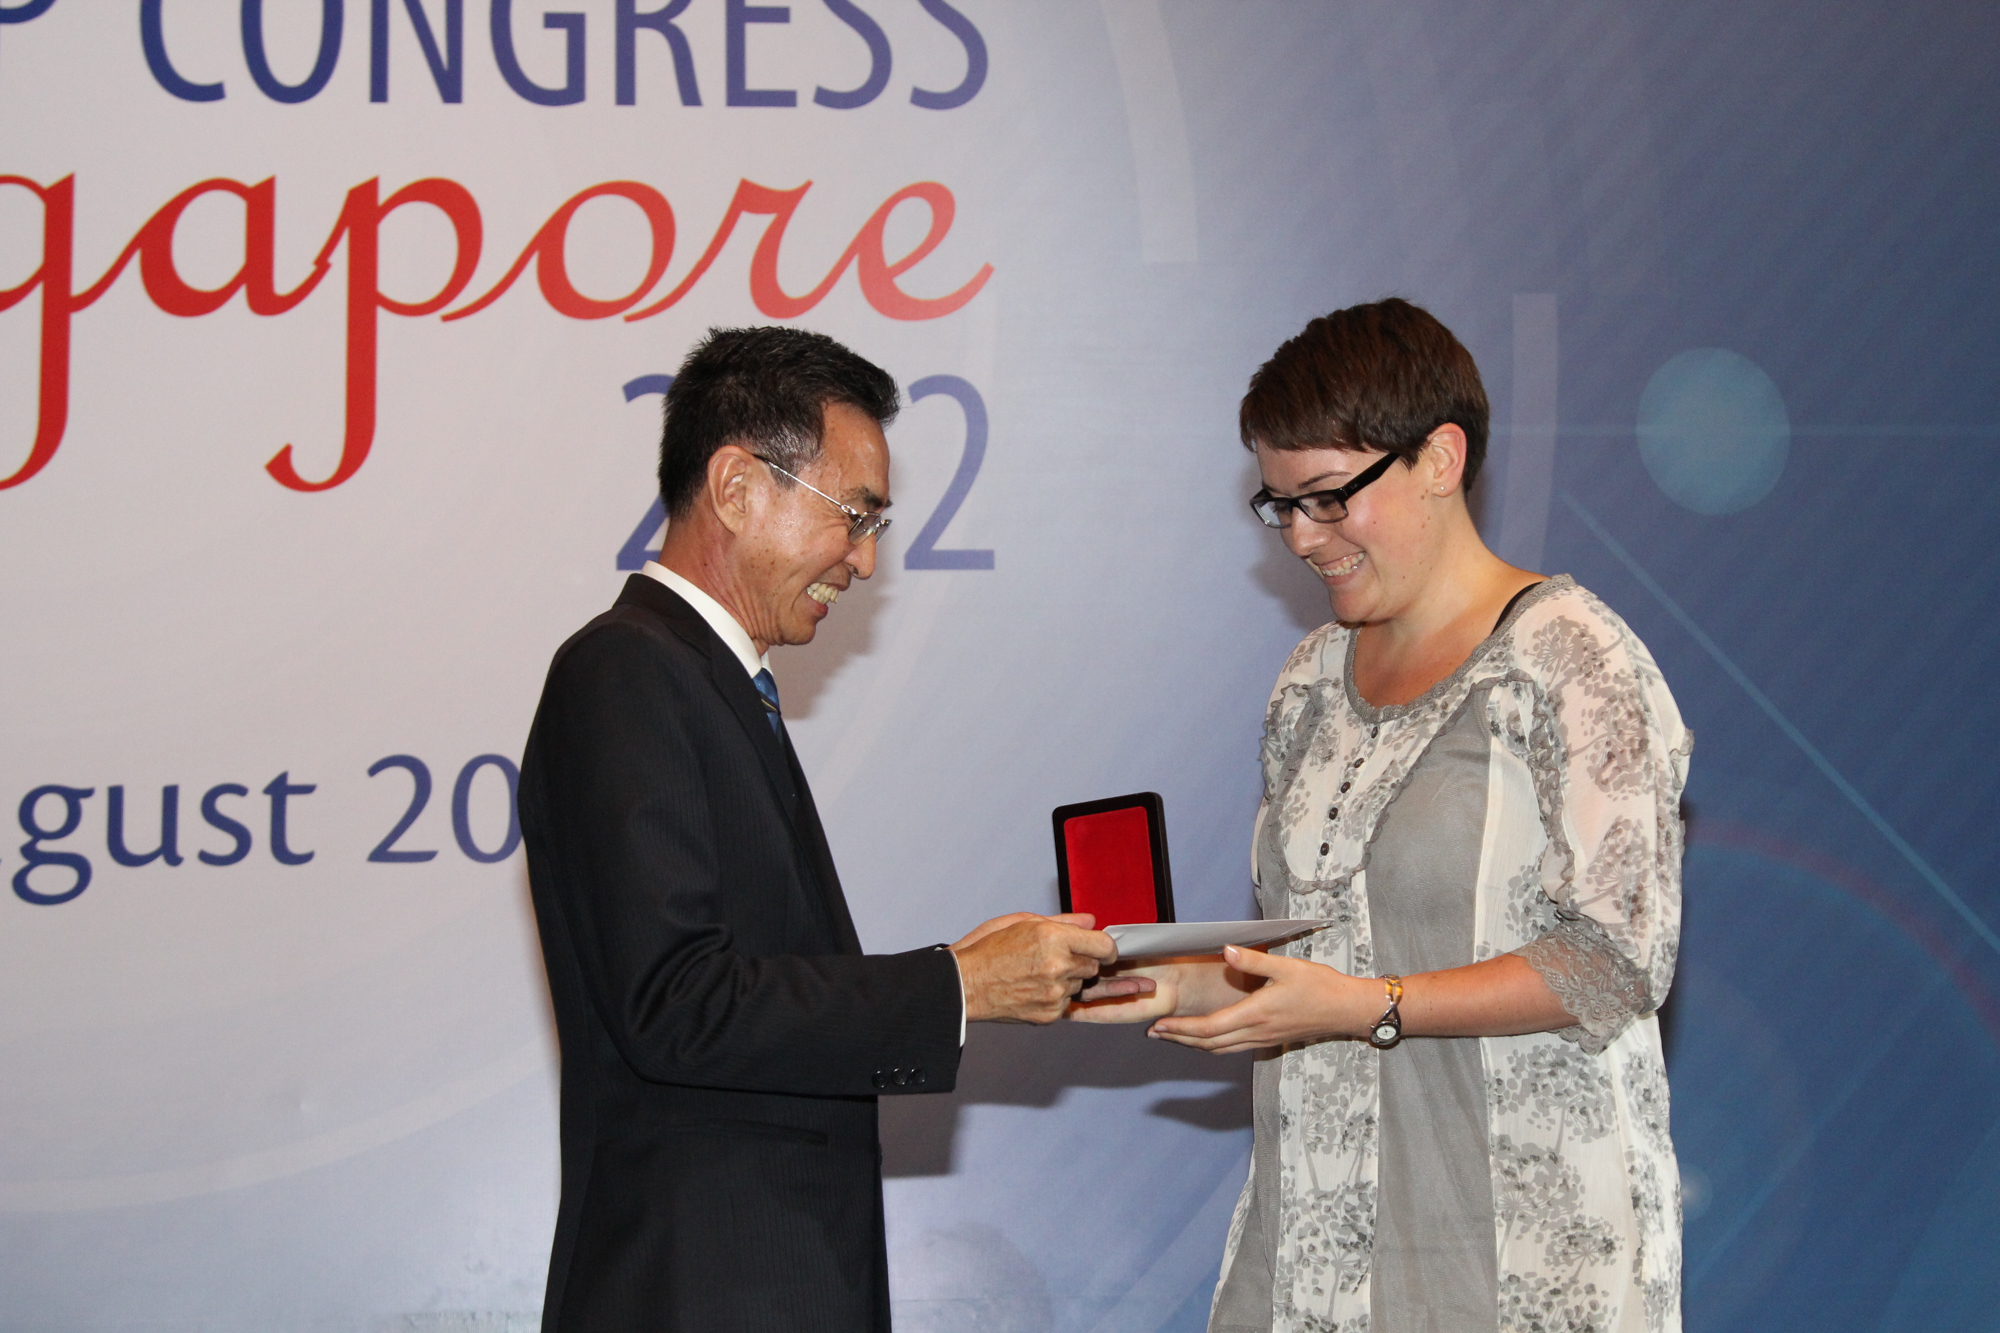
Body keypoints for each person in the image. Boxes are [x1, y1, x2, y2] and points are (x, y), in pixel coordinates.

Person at [1076, 299, 1691, 1332]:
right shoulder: (1308, 680)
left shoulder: (1571, 658)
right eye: (1279, 506)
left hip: (1518, 1256)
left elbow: (1615, 962)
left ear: (1440, 458)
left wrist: (1369, 1005)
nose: (1301, 537)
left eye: (1327, 498)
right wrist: (1176, 980)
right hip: (1314, 1244)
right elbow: (1319, 955)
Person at [519, 326, 1131, 1333]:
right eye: (853, 515)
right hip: (699, 1294)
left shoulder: (713, 683)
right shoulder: (625, 670)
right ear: (735, 487)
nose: (866, 558)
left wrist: (962, 972)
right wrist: (957, 985)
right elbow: (675, 1001)